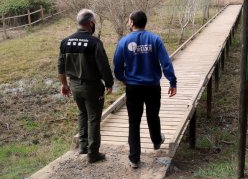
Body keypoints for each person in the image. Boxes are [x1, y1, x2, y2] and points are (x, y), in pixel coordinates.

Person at [113, 10, 177, 169]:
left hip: (133, 87)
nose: (128, 22)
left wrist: (123, 79)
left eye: (129, 20)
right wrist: (172, 82)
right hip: (152, 86)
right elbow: (166, 63)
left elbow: (117, 65)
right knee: (153, 115)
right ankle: (156, 141)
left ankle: (134, 158)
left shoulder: (124, 41)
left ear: (132, 23)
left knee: (134, 122)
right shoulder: (155, 40)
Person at [58, 9, 114, 163]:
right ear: (91, 23)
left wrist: (64, 84)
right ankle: (93, 153)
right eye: (94, 23)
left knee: (82, 113)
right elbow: (103, 67)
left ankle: (83, 146)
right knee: (94, 118)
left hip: (74, 85)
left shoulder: (65, 42)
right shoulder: (94, 42)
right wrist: (109, 83)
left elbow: (61, 67)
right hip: (92, 87)